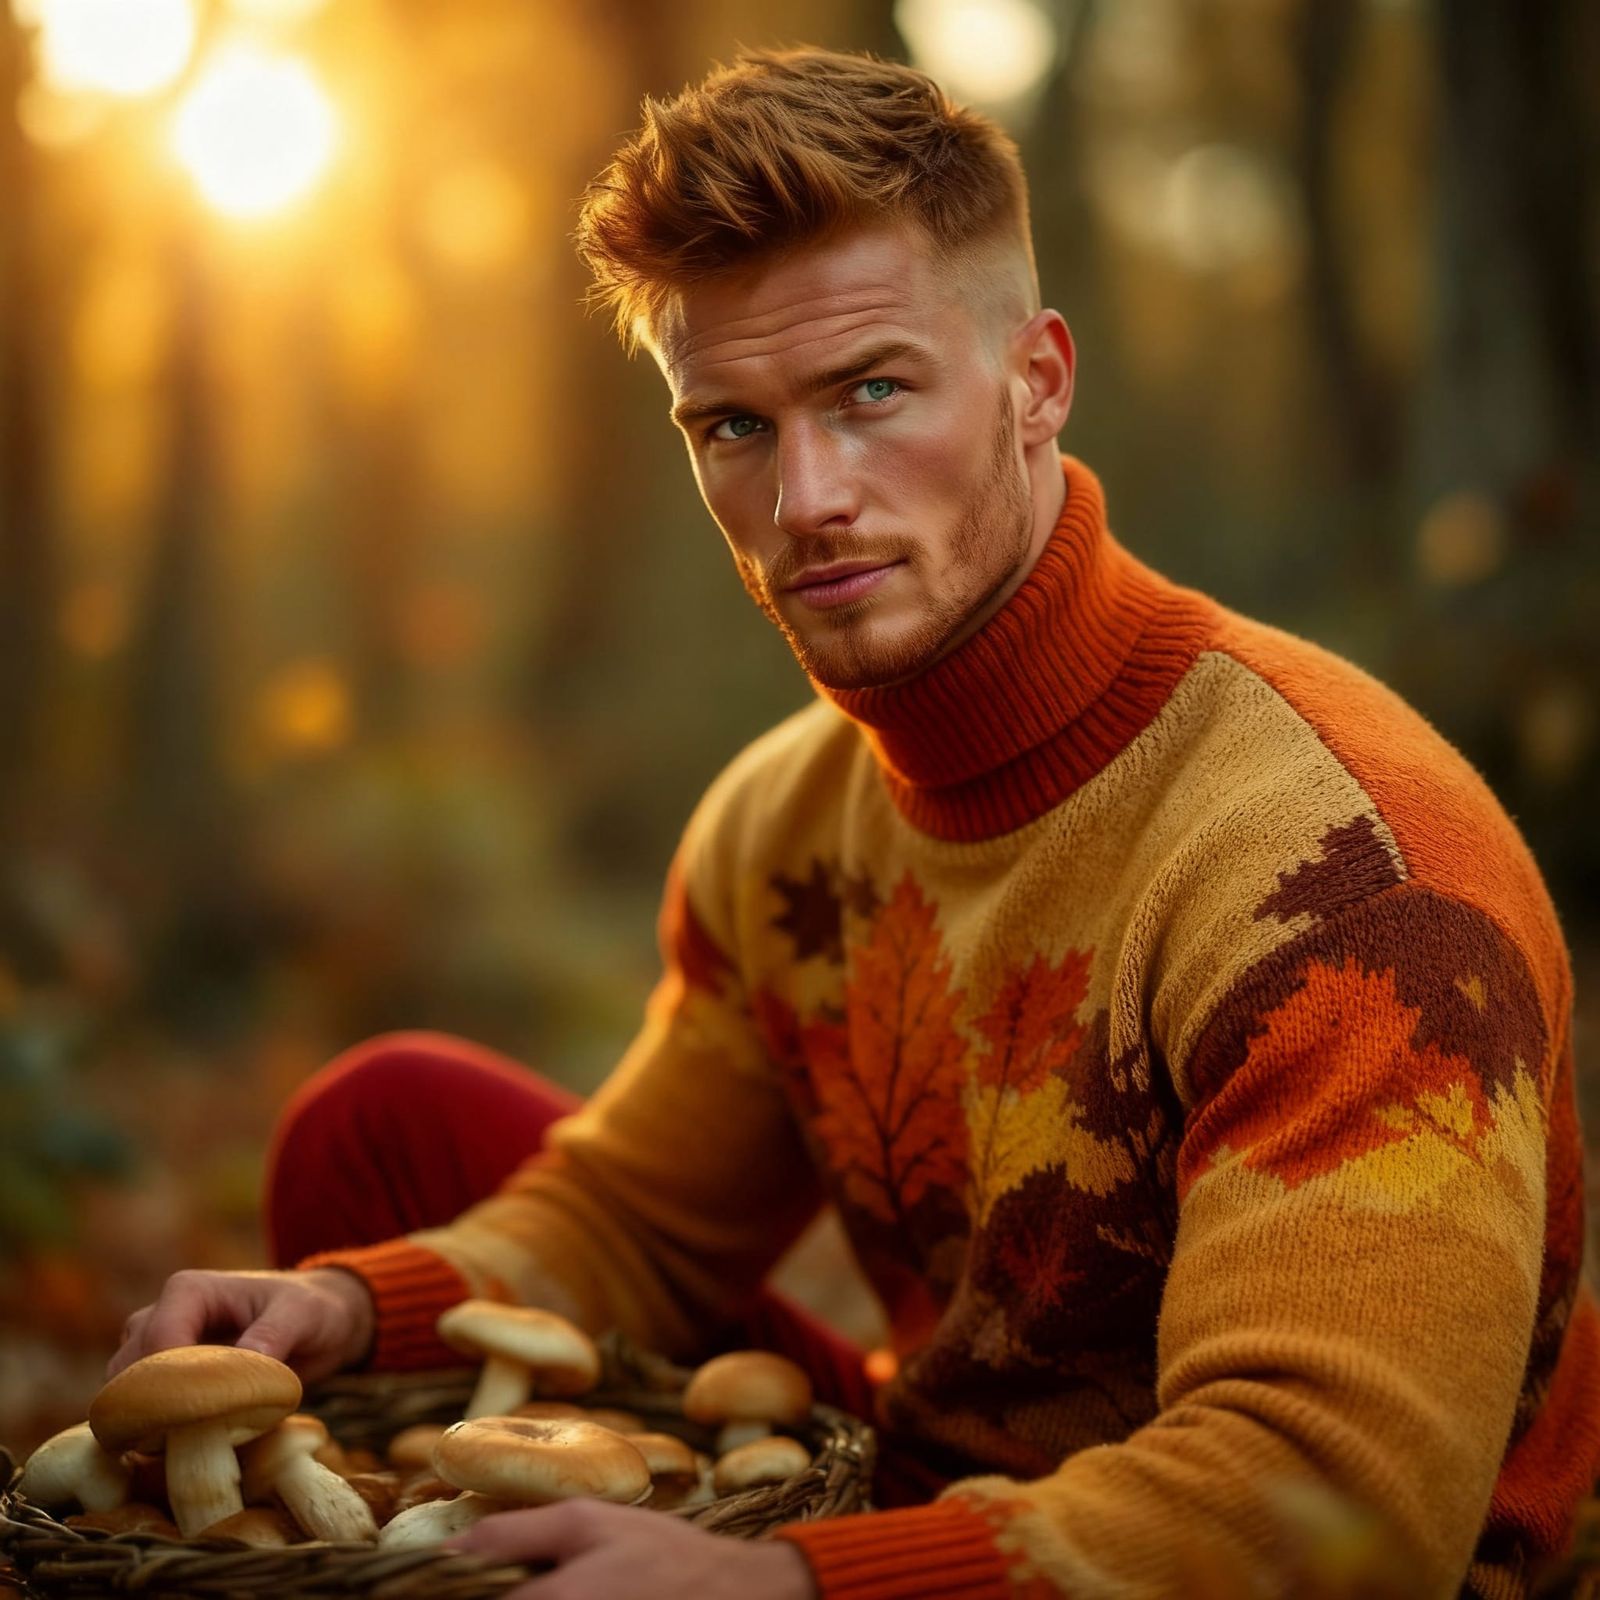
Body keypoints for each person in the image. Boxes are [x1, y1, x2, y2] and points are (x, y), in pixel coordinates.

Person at [107, 45, 1600, 1600]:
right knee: (385, 1138)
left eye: (871, 391)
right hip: (929, 1486)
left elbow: (1337, 1516)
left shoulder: (1348, 882)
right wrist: (357, 1310)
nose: (805, 498)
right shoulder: (785, 816)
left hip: (1252, 1559)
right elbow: (643, 1221)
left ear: (1038, 382)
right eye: (731, 426)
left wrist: (787, 1583)